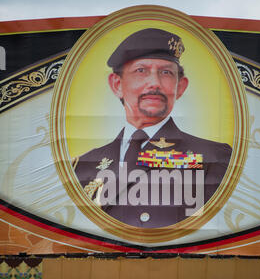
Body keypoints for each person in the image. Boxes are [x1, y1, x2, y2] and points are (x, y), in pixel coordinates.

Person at [73, 28, 232, 228]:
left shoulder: (214, 158)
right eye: (141, 71)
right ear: (117, 84)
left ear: (180, 86)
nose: (154, 83)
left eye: (166, 73)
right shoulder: (83, 165)